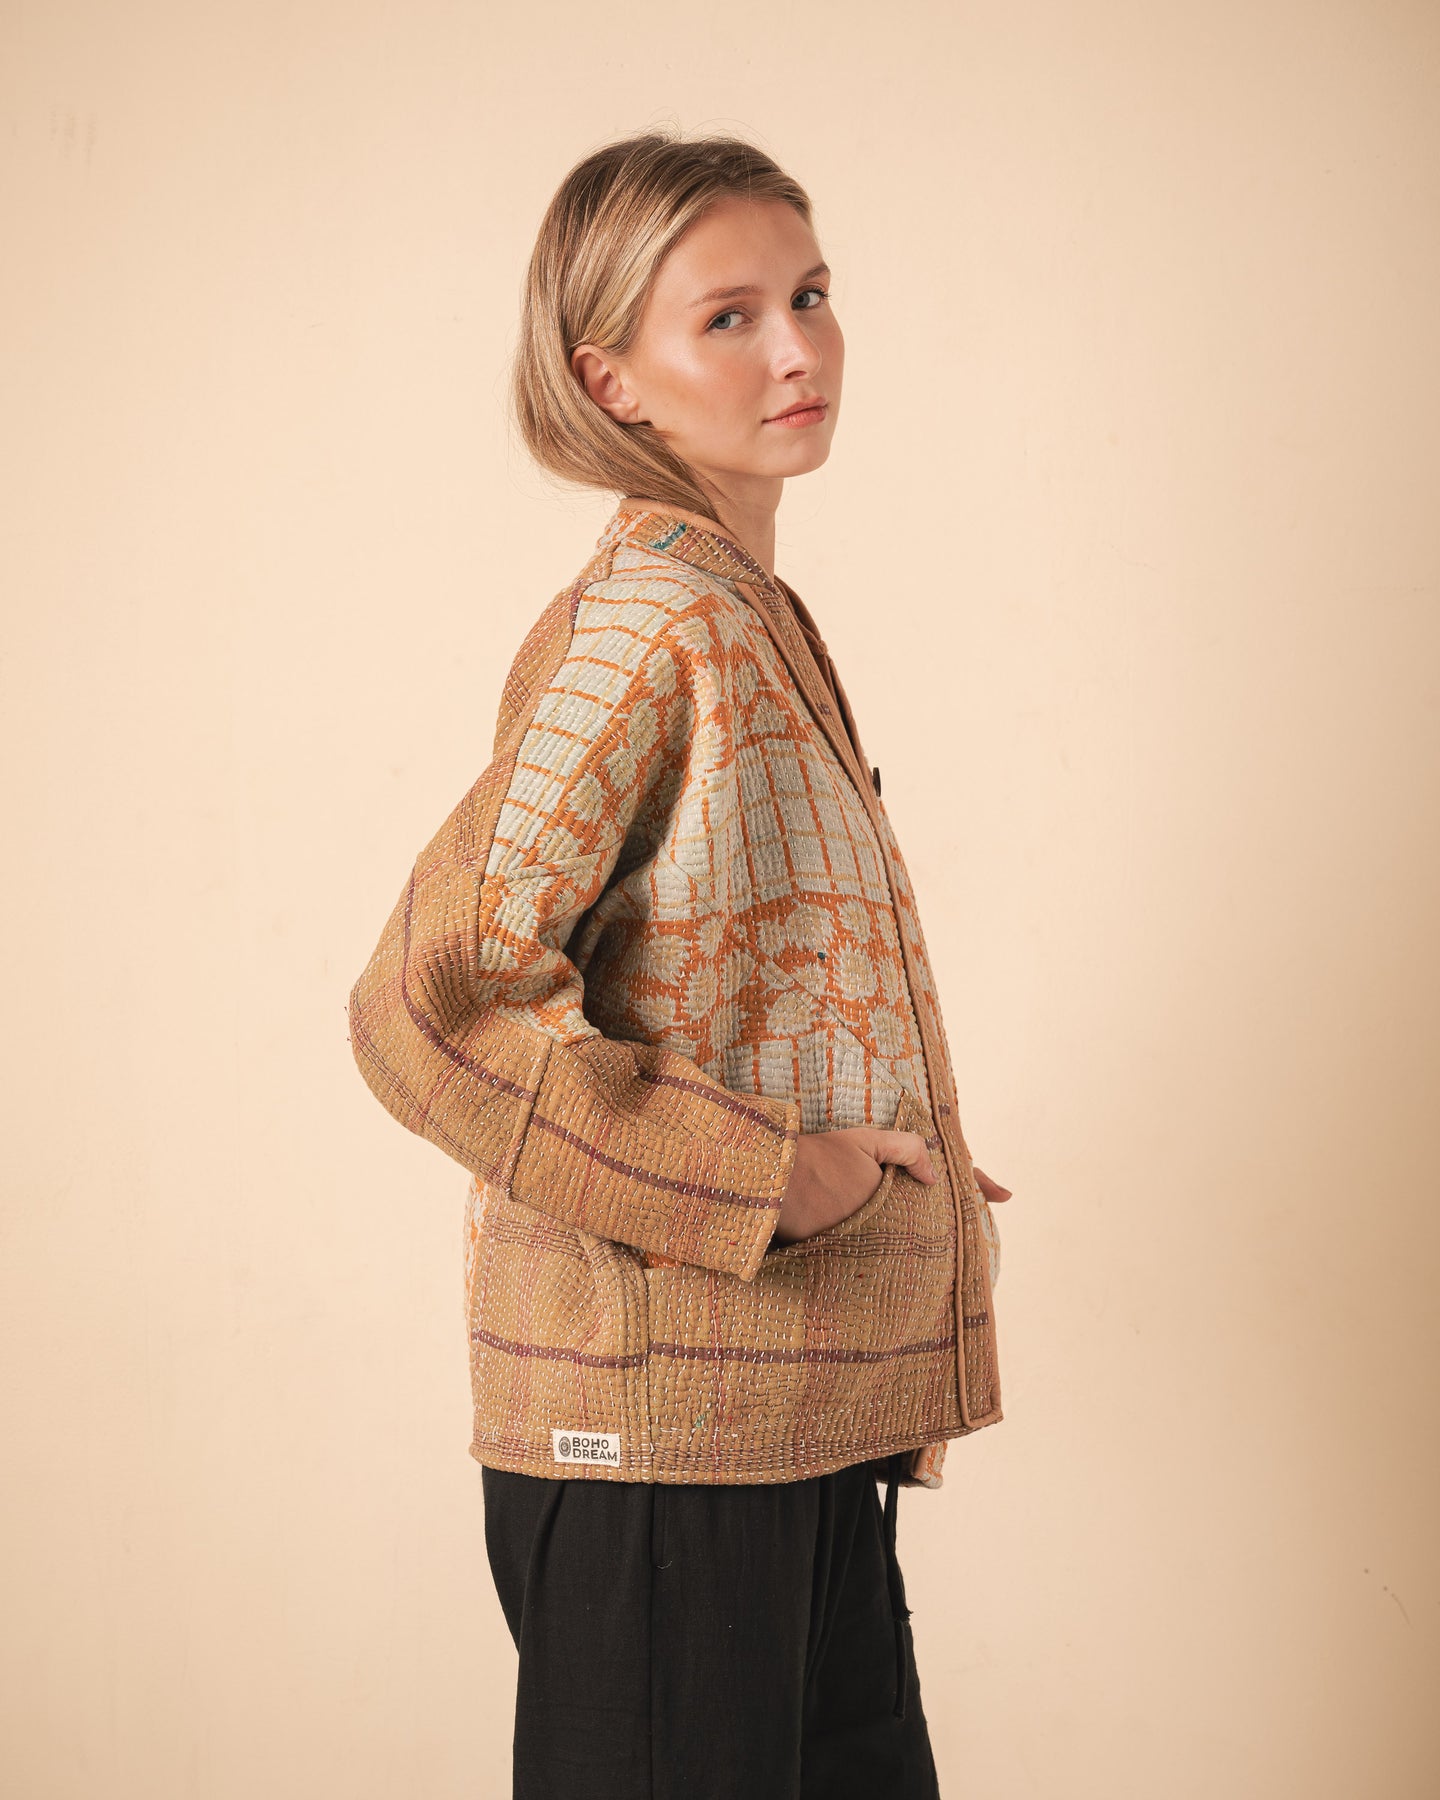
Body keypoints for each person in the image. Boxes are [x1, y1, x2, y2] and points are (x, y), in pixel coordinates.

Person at [347, 127, 1012, 1799]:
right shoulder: (657, 622)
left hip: (788, 1430)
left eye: (812, 295)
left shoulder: (743, 612)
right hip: (663, 1458)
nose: (798, 350)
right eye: (729, 316)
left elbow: (712, 972)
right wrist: (773, 1174)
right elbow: (433, 1006)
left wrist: (883, 1155)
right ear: (611, 381)